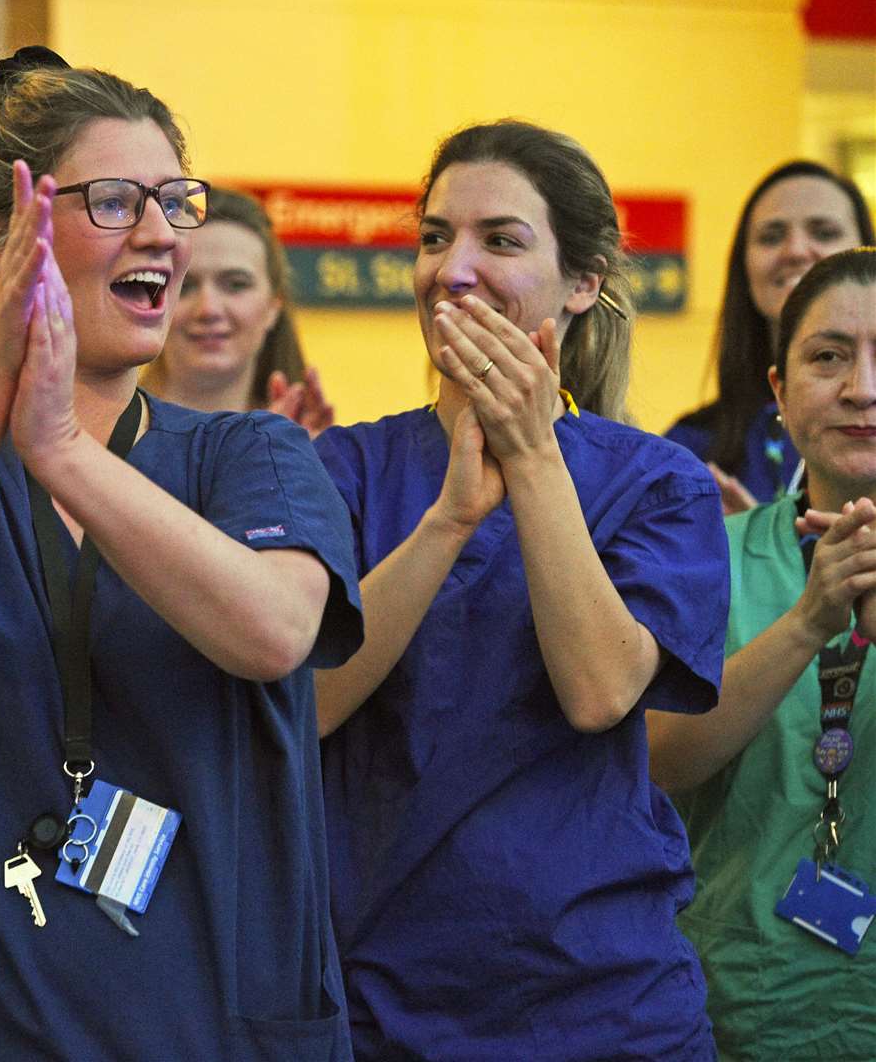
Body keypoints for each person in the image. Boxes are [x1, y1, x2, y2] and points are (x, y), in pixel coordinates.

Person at [0, 47, 363, 1060]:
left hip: (212, 1024)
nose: (157, 232)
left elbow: (274, 632)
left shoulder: (247, 451)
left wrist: (59, 450)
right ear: (1, 233)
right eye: (111, 200)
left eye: (173, 200)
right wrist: (4, 383)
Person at [314, 119, 728, 1060]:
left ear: (583, 282)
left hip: (602, 1007)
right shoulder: (343, 468)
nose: (451, 269)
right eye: (432, 238)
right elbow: (308, 703)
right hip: (380, 1004)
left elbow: (598, 691)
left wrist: (532, 455)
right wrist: (448, 521)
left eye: (499, 241)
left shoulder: (658, 482)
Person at [649, 247, 876, 1061]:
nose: (861, 388)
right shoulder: (710, 554)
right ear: (778, 393)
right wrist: (809, 619)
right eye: (826, 357)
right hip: (734, 1010)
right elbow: (660, 760)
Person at [666, 161, 872, 513]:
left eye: (823, 232)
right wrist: (745, 548)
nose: (795, 251)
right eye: (772, 236)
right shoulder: (690, 449)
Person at [142, 186, 333, 434]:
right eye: (185, 285)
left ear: (274, 306)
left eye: (236, 284)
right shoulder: (95, 438)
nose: (208, 309)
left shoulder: (307, 444)